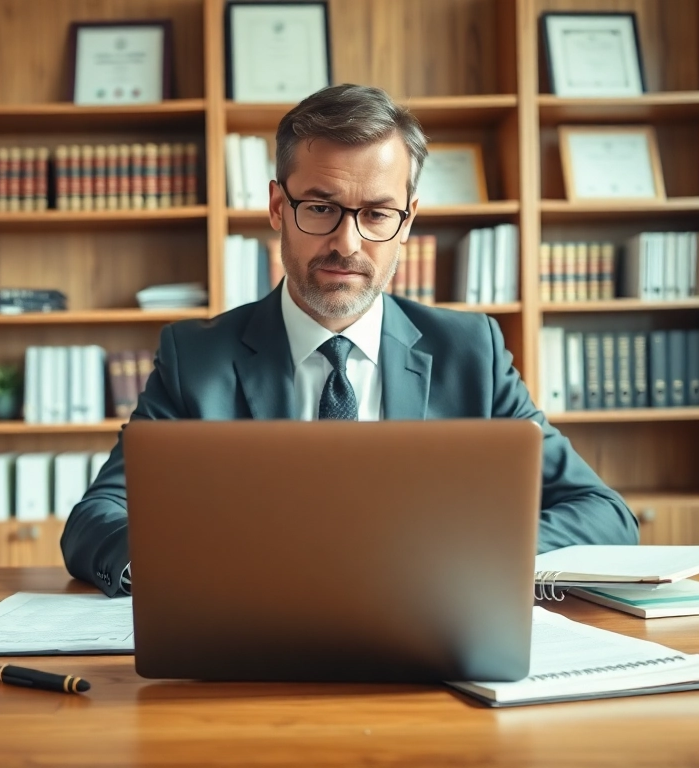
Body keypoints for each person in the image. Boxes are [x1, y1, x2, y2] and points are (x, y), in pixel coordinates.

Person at [62, 83, 638, 597]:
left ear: (407, 221)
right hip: (254, 644)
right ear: (276, 207)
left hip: (427, 642)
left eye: (378, 214)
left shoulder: (473, 352)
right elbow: (97, 518)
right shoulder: (196, 358)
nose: (348, 243)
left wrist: (455, 555)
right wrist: (187, 567)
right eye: (320, 207)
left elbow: (604, 514)